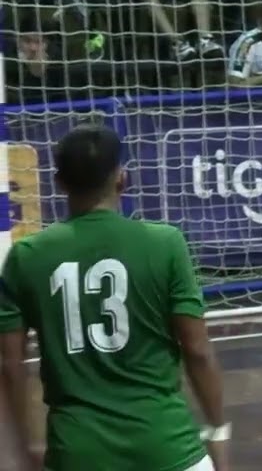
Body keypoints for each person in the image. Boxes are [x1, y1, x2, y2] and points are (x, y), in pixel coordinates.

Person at [0, 125, 228, 471]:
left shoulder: (27, 256)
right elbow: (196, 350)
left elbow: (10, 365)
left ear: (58, 183)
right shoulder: (165, 243)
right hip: (167, 447)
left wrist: (29, 445)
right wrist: (217, 428)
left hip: (77, 452)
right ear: (122, 178)